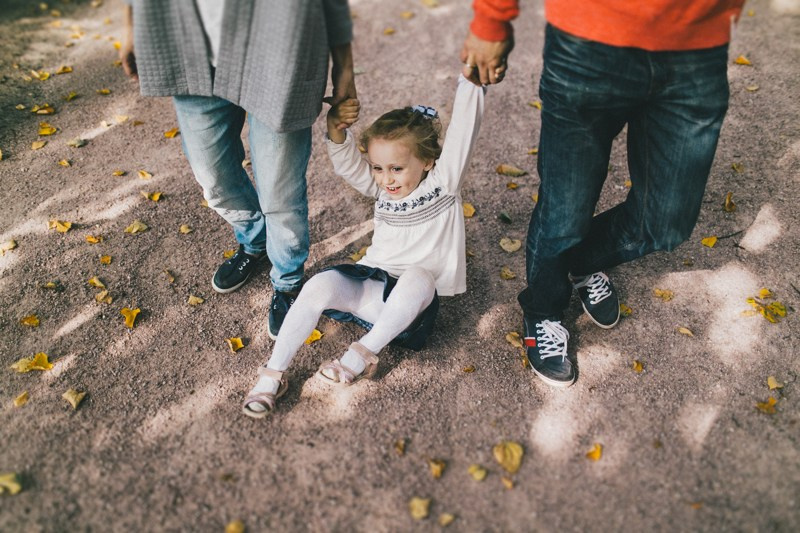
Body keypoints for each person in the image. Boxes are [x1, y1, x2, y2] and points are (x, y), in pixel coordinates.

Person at [462, 0, 744, 387]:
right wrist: (492, 18)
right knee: (565, 211)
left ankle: (576, 262)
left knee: (665, 223)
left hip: (696, 46)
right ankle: (543, 308)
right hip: (589, 41)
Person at [242, 74, 486, 418]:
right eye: (379, 168)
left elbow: (463, 132)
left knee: (418, 276)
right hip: (369, 292)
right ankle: (272, 375)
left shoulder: (442, 184)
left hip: (406, 310)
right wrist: (338, 132)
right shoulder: (382, 189)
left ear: (428, 162)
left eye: (397, 168)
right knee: (320, 283)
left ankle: (357, 358)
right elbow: (352, 169)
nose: (386, 179)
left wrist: (471, 83)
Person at [119, 0, 356, 338]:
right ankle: (256, 240)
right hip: (192, 51)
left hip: (279, 53)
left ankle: (288, 281)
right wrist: (131, 25)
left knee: (280, 192)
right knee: (212, 177)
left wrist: (344, 68)